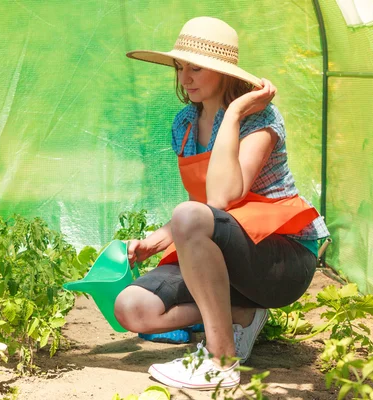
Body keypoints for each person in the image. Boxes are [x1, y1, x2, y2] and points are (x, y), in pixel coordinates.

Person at [114, 16, 330, 390]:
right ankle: (241, 314)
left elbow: (223, 197)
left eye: (195, 68)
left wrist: (232, 114)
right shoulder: (184, 123)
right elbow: (204, 208)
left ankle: (220, 359)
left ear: (223, 72)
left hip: (280, 257)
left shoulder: (259, 118)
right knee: (132, 307)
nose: (185, 78)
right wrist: (159, 238)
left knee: (190, 216)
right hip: (228, 250)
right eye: (180, 68)